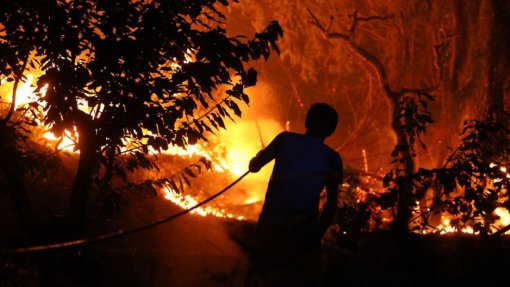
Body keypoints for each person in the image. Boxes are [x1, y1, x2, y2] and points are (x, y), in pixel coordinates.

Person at [244, 102, 343, 287]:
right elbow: (331, 205)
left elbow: (254, 167)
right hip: (303, 231)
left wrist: (257, 158)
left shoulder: (285, 140)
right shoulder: (332, 158)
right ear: (331, 130)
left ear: (307, 121)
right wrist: (317, 234)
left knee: (258, 277)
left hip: (270, 227)